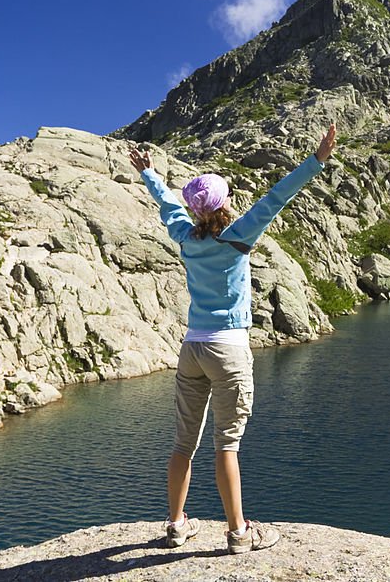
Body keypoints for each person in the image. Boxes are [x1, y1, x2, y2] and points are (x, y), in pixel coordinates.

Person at [129, 123, 336, 553]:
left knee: (183, 443)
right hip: (228, 348)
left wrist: (148, 172)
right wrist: (317, 160)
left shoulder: (186, 237)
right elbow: (277, 197)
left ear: (196, 209)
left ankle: (176, 524)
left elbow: (168, 206)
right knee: (227, 444)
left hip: (192, 348)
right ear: (225, 205)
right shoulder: (239, 235)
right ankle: (239, 532)